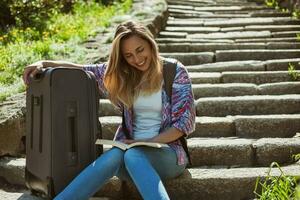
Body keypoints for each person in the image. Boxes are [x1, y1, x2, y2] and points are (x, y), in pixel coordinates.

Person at [23, 20, 195, 200]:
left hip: (169, 154)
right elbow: (82, 70)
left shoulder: (174, 71)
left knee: (134, 155)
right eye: (128, 55)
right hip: (128, 152)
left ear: (150, 44)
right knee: (115, 156)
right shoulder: (122, 75)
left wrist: (148, 141)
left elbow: (183, 124)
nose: (136, 59)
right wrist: (43, 62)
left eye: (140, 50)